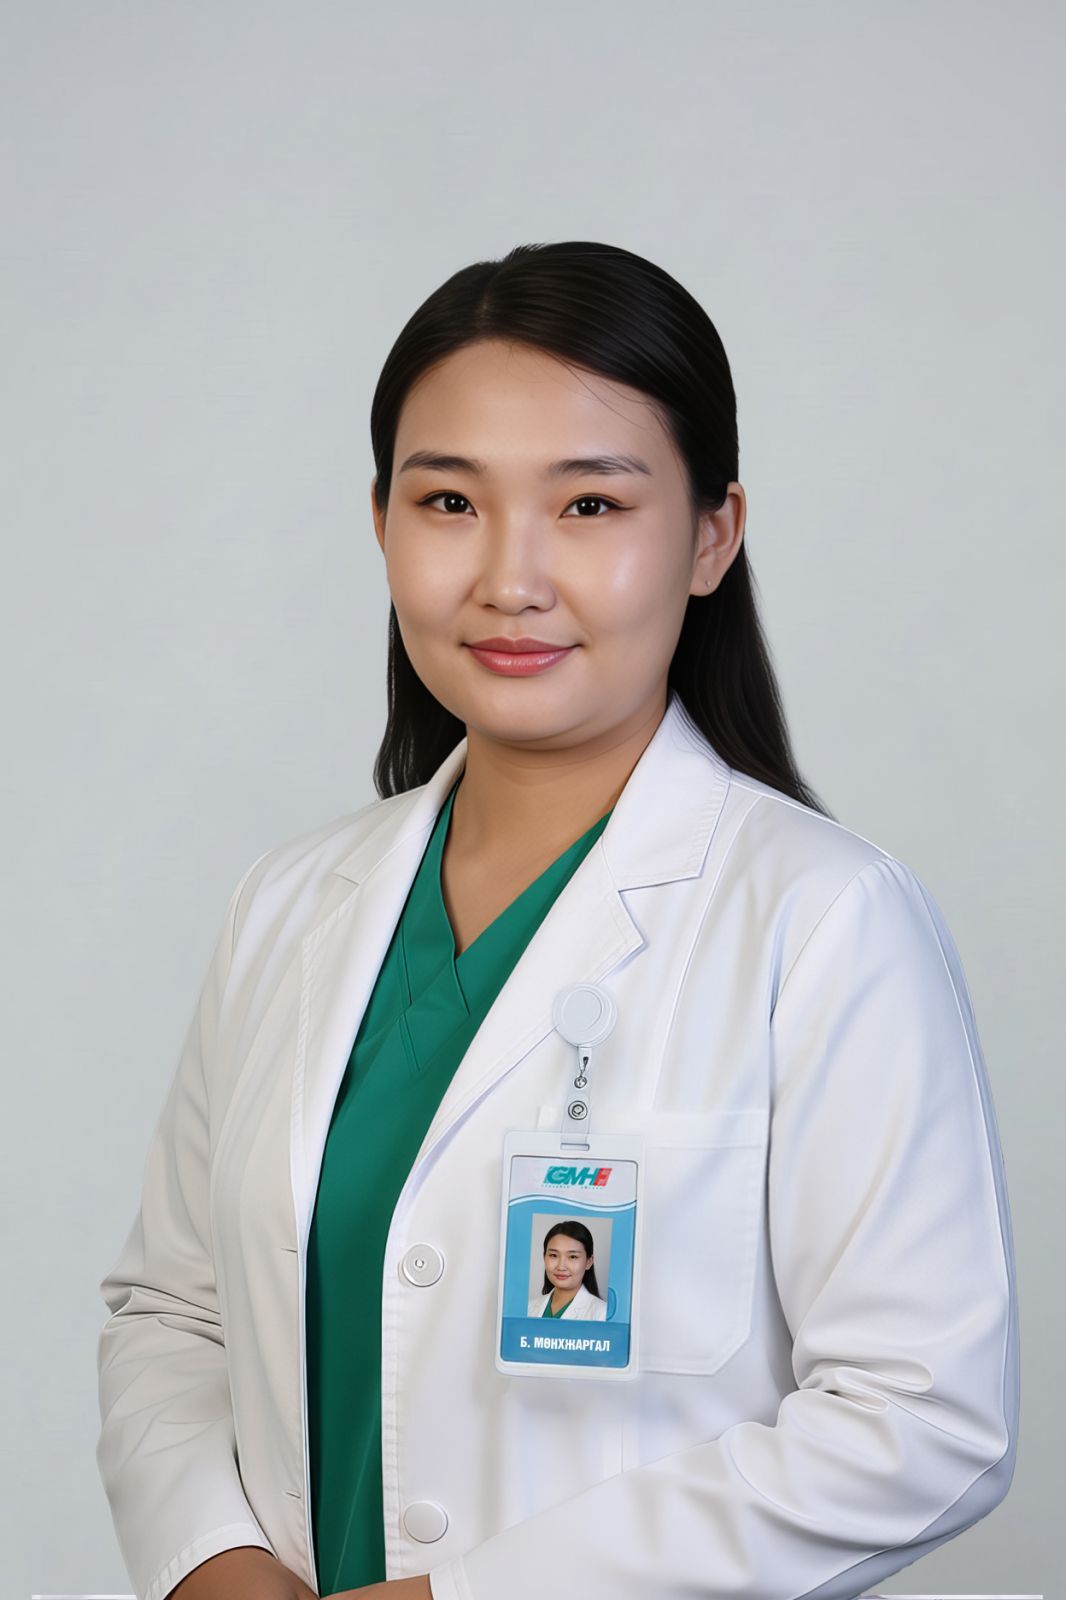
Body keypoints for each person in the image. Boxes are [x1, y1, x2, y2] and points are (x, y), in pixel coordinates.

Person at [95, 240, 1018, 1600]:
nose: (509, 577)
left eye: (589, 504)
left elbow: (919, 1419)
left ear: (710, 536)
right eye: (449, 501)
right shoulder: (288, 904)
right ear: (381, 525)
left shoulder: (823, 922)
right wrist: (214, 1566)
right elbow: (175, 1310)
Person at [527, 1221, 608, 1320]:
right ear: (544, 1257)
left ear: (589, 1262)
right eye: (553, 1255)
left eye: (573, 1257)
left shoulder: (602, 1314)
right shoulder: (529, 1309)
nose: (561, 1267)